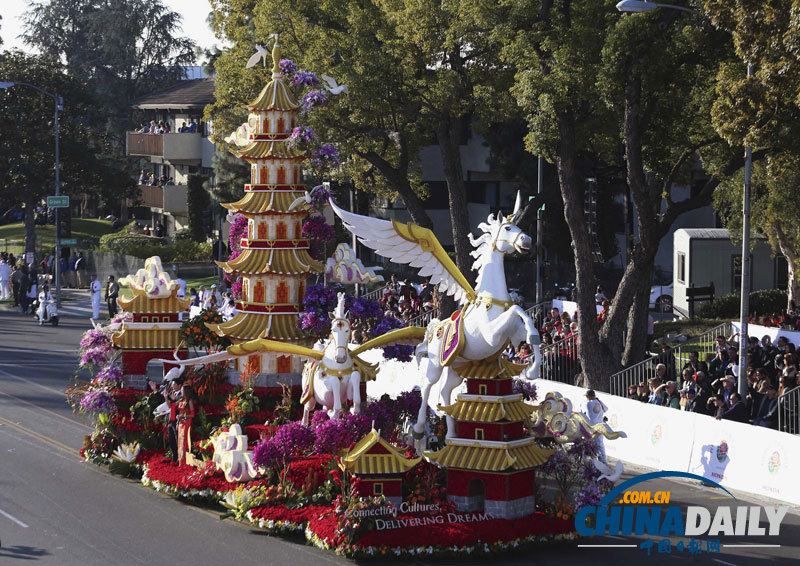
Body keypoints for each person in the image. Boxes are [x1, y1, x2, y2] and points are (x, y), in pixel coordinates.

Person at [583, 390, 608, 462]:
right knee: (600, 444)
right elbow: (606, 409)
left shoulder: (587, 403)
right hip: (600, 426)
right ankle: (603, 460)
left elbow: (583, 410)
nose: (586, 398)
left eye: (587, 396)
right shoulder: (599, 402)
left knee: (587, 443)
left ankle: (587, 460)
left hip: (591, 427)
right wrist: (598, 400)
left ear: (589, 397)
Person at [177, 384, 198, 465]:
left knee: (184, 441)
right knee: (180, 441)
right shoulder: (182, 400)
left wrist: (184, 416)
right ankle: (180, 461)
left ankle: (185, 461)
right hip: (181, 423)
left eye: (182, 390)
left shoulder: (189, 401)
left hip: (186, 423)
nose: (181, 392)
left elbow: (192, 414)